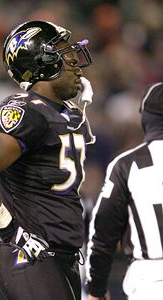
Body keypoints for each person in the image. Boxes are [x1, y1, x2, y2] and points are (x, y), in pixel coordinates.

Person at [0, 20, 95, 300]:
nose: (76, 64)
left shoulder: (58, 114)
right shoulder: (28, 112)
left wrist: (75, 114)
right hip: (32, 254)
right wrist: (10, 230)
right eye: (66, 56)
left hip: (60, 256)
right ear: (43, 63)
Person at [85, 82, 163, 300]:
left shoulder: (127, 165)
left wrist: (96, 288)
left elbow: (102, 234)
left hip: (151, 282)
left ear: (147, 119)